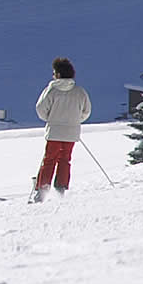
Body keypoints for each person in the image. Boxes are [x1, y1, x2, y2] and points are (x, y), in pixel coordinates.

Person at [31, 58, 91, 203]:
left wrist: (51, 119)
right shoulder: (79, 91)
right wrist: (74, 121)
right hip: (71, 133)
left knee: (49, 160)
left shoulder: (52, 90)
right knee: (65, 160)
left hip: (54, 132)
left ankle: (42, 191)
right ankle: (61, 190)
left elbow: (40, 109)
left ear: (58, 74)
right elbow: (86, 111)